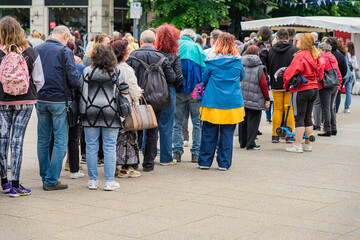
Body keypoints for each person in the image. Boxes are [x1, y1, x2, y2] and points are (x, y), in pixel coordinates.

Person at [0, 16, 44, 197]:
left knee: (2, 140)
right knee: (17, 141)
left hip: (1, 101)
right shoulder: (30, 53)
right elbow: (40, 80)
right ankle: (16, 185)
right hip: (25, 100)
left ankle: (4, 182)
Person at [78, 44, 129, 190]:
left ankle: (93, 180)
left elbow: (82, 92)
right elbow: (125, 89)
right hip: (110, 112)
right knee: (109, 147)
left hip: (90, 112)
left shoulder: (87, 71)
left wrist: (82, 112)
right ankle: (109, 181)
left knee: (91, 147)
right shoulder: (115, 72)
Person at [35, 25, 79, 190]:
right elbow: (74, 80)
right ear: (66, 36)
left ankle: (45, 175)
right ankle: (51, 180)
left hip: (40, 99)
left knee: (43, 139)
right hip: (60, 100)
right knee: (61, 140)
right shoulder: (65, 51)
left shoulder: (37, 49)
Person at [126, 30, 176, 172]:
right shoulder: (161, 57)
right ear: (154, 42)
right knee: (153, 131)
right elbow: (172, 78)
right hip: (156, 99)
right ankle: (148, 164)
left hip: (137, 97)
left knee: (133, 129)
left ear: (141, 41)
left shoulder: (133, 56)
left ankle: (133, 162)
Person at [198, 33, 245, 170]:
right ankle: (224, 163)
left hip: (212, 101)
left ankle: (205, 162)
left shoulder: (211, 61)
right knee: (227, 134)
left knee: (208, 132)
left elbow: (204, 79)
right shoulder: (237, 62)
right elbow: (241, 77)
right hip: (232, 102)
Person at [283, 33, 324, 153]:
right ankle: (307, 144)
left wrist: (286, 84)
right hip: (314, 88)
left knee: (299, 117)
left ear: (303, 42)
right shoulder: (315, 54)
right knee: (307, 116)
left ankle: (297, 145)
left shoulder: (300, 55)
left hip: (301, 89)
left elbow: (290, 72)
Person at [173, 29, 206, 163]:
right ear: (193, 38)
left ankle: (177, 152)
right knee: (197, 123)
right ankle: (196, 153)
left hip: (179, 90)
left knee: (177, 123)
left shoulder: (176, 47)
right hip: (195, 91)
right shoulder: (197, 48)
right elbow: (205, 70)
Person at [110, 39, 142, 178]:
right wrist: (139, 93)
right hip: (125, 108)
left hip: (111, 107)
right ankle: (126, 167)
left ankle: (115, 166)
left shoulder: (108, 67)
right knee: (128, 137)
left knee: (115, 138)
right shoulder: (126, 69)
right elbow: (133, 91)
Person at [155, 24, 183, 166]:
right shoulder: (174, 55)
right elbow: (178, 76)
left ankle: (149, 153)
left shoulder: (153, 53)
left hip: (151, 91)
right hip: (168, 91)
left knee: (150, 123)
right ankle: (166, 158)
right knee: (166, 125)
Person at [268, 28, 299, 143]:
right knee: (289, 109)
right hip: (290, 84)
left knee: (277, 109)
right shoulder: (294, 50)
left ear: (277, 37)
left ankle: (275, 135)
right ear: (288, 37)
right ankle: (289, 135)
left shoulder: (271, 50)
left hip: (276, 83)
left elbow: (268, 66)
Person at [238, 45, 270, 150]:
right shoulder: (260, 68)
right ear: (258, 54)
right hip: (256, 98)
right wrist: (267, 99)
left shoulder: (240, 64)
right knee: (253, 121)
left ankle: (242, 142)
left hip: (242, 97)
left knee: (243, 120)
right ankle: (250, 143)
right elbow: (264, 85)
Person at [62, 40, 86, 178]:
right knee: (73, 137)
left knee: (54, 138)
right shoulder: (79, 67)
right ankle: (74, 169)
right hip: (73, 105)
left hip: (57, 102)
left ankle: (51, 169)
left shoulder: (54, 64)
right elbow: (79, 85)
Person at [317, 42, 342, 137]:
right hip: (334, 84)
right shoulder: (333, 57)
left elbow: (321, 68)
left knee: (326, 108)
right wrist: (339, 84)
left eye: (319, 49)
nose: (318, 51)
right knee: (331, 107)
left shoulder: (323, 57)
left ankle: (327, 129)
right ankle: (333, 128)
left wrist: (320, 78)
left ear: (323, 50)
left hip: (326, 86)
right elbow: (338, 71)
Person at [326, 38, 349, 114]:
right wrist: (340, 77)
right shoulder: (340, 55)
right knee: (337, 95)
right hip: (338, 80)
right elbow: (344, 69)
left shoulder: (325, 55)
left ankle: (327, 113)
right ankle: (335, 112)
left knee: (326, 97)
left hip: (326, 79)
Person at [342, 41, 358, 113]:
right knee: (348, 91)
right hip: (352, 74)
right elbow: (356, 67)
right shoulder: (353, 56)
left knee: (339, 90)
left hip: (346, 74)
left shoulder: (345, 55)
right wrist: (352, 66)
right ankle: (347, 107)